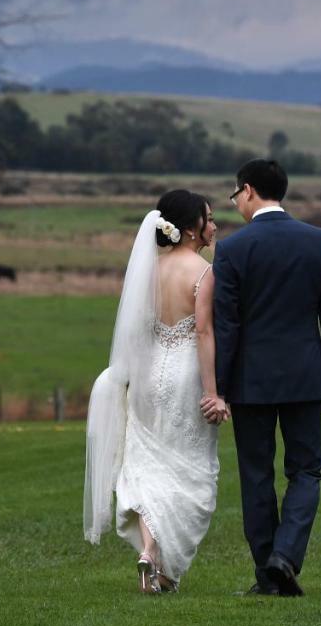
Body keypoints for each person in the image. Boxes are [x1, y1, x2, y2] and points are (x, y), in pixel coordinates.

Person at [203, 159, 321, 597]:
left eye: (235, 195)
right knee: (306, 470)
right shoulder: (319, 242)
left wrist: (221, 389)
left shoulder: (231, 249)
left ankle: (269, 576)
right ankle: (283, 559)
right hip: (307, 376)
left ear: (248, 191)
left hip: (250, 381)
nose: (235, 204)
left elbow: (226, 326)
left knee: (256, 475)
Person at [84, 189, 229, 593]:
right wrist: (214, 392)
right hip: (186, 375)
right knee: (190, 472)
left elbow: (136, 327)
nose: (215, 225)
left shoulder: (149, 270)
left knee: (149, 464)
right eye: (210, 218)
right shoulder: (204, 271)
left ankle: (151, 553)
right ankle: (161, 563)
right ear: (190, 229)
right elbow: (203, 332)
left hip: (147, 375)